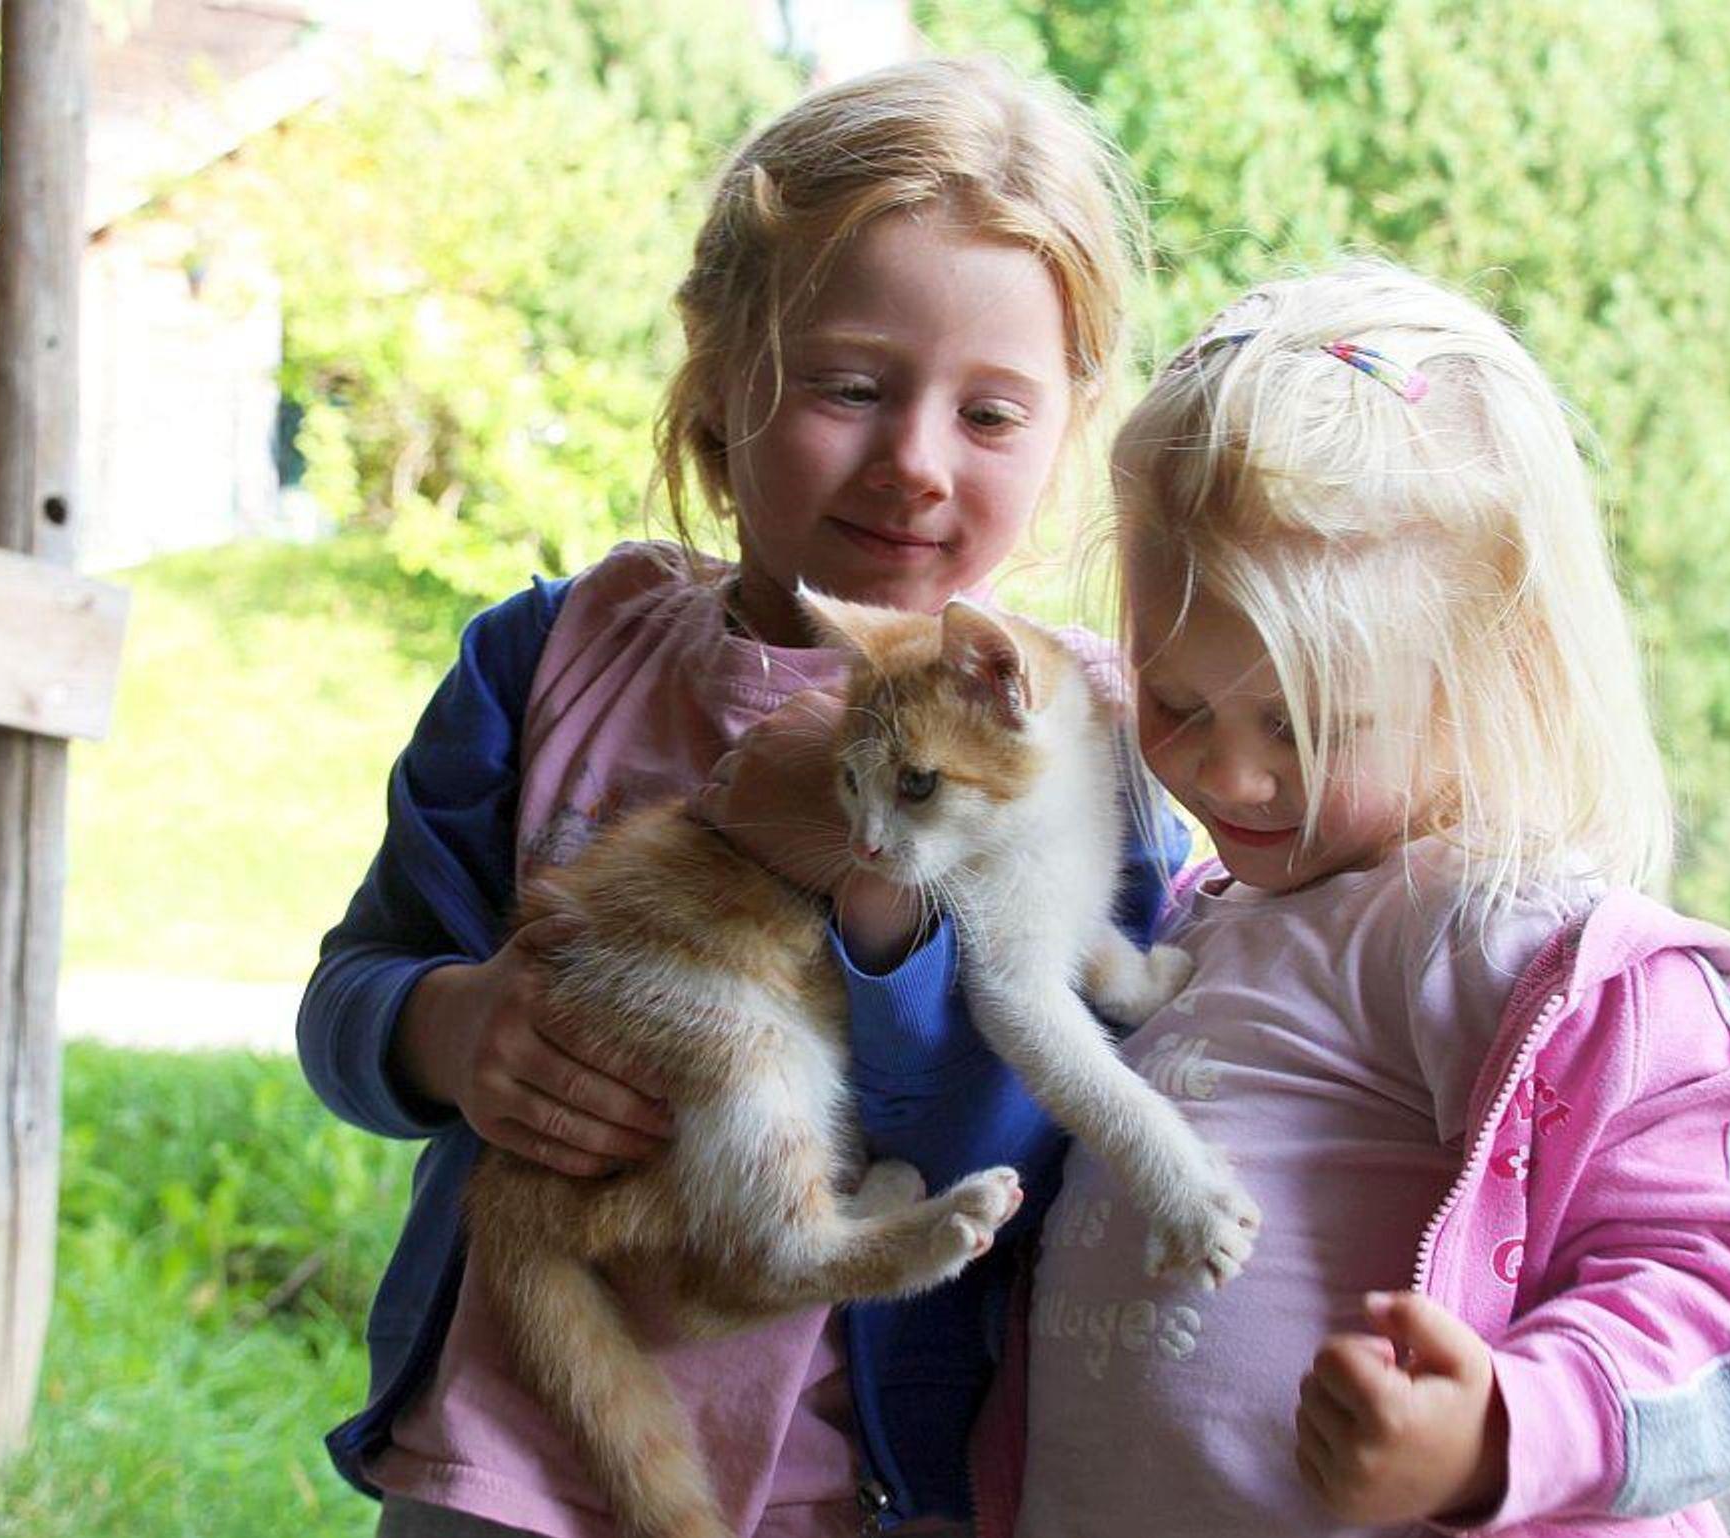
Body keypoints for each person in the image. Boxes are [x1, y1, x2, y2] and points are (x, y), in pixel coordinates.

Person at [296, 57, 1185, 1538]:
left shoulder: (1097, 745)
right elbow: (353, 986)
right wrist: (446, 1029)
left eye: (989, 414)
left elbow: (1042, 1127)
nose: (912, 463)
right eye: (851, 386)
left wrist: (873, 906)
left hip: (887, 1484)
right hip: (514, 1458)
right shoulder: (549, 659)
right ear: (720, 370)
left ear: (1070, 423)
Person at [979, 259, 1730, 1537]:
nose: (1228, 771)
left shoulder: (1508, 936)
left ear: (1487, 673)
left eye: (1307, 723)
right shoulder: (1197, 921)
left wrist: (1500, 1427)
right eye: (1176, 698)